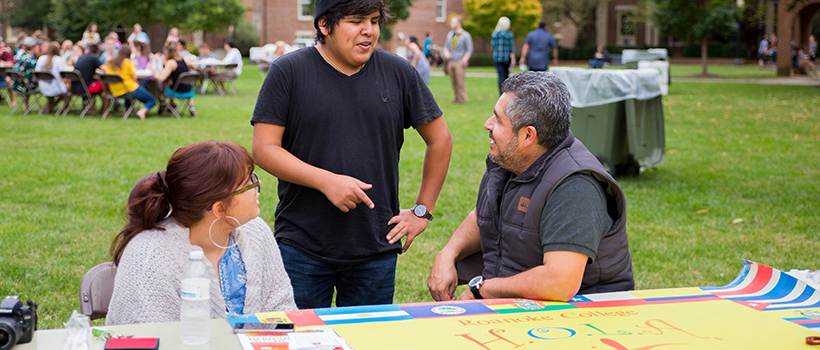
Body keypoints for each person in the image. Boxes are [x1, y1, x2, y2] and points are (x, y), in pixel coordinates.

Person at [251, 0, 453, 309]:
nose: (368, 31)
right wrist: (326, 181)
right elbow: (264, 148)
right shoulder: (288, 71)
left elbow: (440, 139)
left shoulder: (398, 71)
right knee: (300, 340)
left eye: (374, 21)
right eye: (356, 21)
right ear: (324, 24)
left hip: (375, 247)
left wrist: (422, 211)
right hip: (302, 245)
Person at [427, 71, 634, 303]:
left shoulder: (576, 186)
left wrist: (483, 290)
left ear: (528, 135)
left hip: (579, 322)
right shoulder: (511, 160)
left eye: (498, 119)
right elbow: (484, 215)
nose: (488, 124)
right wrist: (448, 254)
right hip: (523, 309)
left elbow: (560, 282)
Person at [106, 141, 298, 325]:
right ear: (220, 209)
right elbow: (150, 336)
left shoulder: (256, 231)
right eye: (249, 182)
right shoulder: (148, 257)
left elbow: (283, 309)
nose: (258, 184)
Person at [103, 45, 156, 120]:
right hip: (129, 88)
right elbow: (134, 77)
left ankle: (125, 109)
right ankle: (142, 111)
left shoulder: (110, 62)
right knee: (152, 100)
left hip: (115, 90)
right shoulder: (127, 62)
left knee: (130, 92)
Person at [154, 43, 196, 113]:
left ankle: (167, 104)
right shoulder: (185, 59)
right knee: (172, 82)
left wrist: (154, 74)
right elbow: (193, 66)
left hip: (176, 91)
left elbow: (162, 78)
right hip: (189, 90)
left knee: (164, 85)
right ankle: (191, 106)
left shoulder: (171, 63)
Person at [443, 15, 473, 104]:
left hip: (459, 61)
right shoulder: (450, 34)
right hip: (450, 61)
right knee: (453, 82)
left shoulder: (466, 35)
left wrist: (465, 60)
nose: (451, 24)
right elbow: (445, 47)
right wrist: (446, 52)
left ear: (459, 23)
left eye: (453, 22)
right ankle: (456, 98)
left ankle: (462, 99)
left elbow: (469, 49)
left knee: (460, 82)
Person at [70, 43, 106, 114]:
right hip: (85, 88)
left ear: (88, 50)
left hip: (74, 87)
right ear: (97, 52)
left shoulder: (81, 57)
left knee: (96, 85)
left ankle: (92, 108)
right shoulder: (93, 58)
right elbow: (104, 68)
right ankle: (104, 111)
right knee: (105, 87)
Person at [35, 42, 69, 113]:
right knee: (68, 89)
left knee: (55, 89)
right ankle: (58, 107)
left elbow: (37, 72)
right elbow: (62, 73)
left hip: (43, 86)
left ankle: (50, 106)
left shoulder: (41, 58)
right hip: (55, 87)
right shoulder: (58, 59)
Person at [11, 37, 40, 112]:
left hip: (17, 85)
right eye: (37, 45)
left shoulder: (22, 56)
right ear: (32, 47)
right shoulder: (31, 59)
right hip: (26, 86)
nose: (38, 47)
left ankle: (26, 106)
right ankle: (50, 107)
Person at [490, 17, 515, 94]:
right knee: (506, 77)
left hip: (497, 58)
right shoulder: (509, 35)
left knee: (500, 75)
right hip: (506, 58)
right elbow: (511, 48)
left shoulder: (495, 35)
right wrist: (513, 59)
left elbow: (492, 46)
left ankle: (501, 93)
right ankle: (505, 92)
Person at [1, 38, 16, 106]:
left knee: (9, 79)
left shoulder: (7, 53)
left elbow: (10, 64)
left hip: (5, 75)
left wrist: (2, 62)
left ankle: (13, 98)